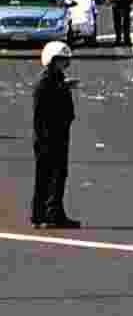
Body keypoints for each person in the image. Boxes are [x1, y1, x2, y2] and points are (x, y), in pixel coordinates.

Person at [32, 42, 81, 229]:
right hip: (49, 137)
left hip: (57, 134)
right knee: (51, 176)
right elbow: (43, 111)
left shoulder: (56, 78)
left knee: (54, 175)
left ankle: (44, 214)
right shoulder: (45, 82)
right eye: (61, 60)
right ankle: (50, 215)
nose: (65, 64)